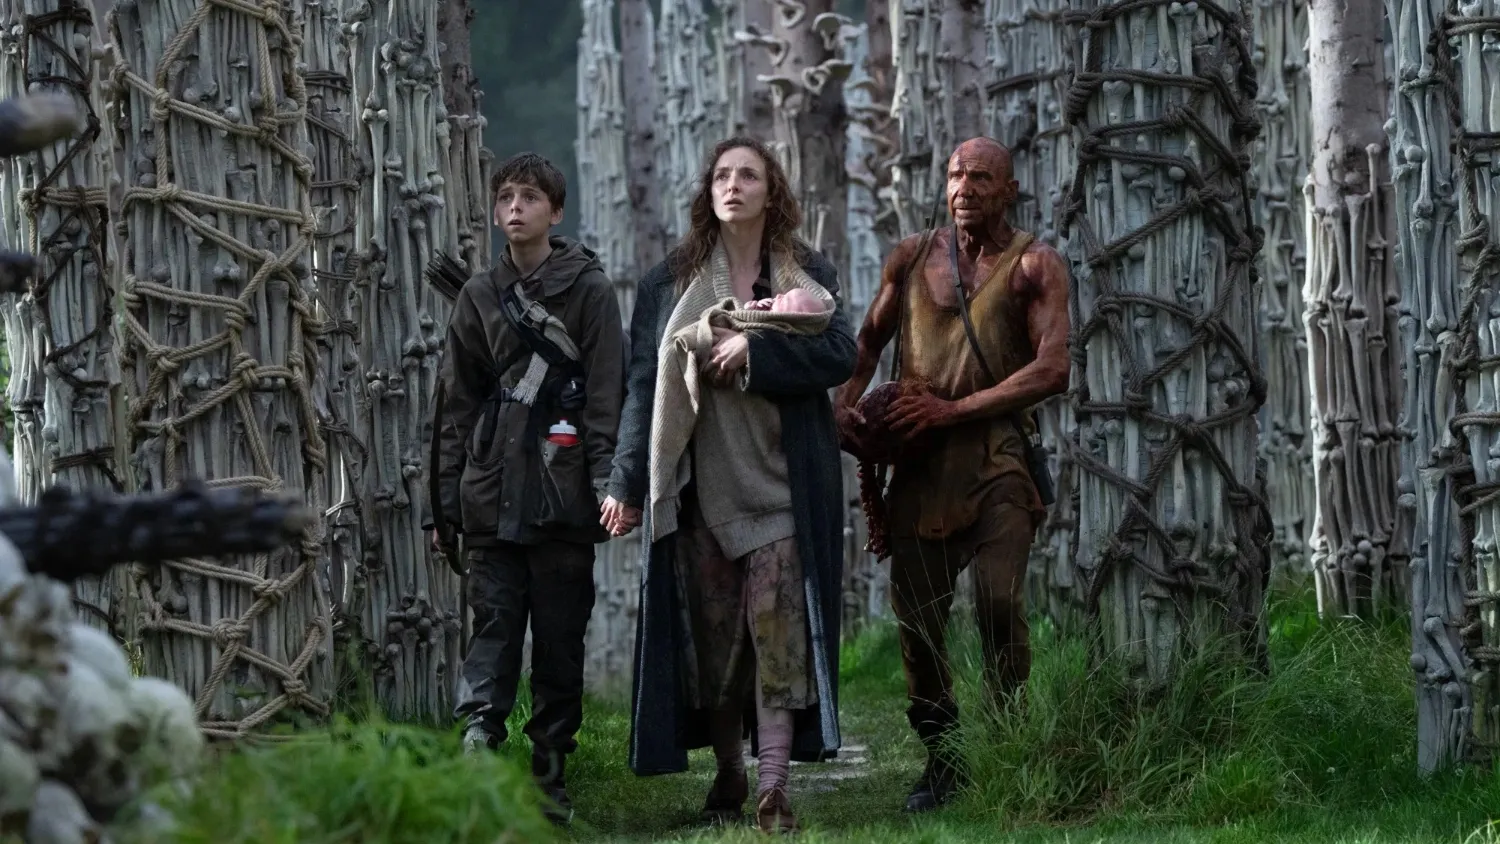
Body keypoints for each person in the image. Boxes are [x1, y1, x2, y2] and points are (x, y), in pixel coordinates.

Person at [600, 136, 856, 834]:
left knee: (778, 637)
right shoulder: (669, 284)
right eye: (722, 175)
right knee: (715, 646)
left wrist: (758, 347)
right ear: (708, 192)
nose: (733, 185)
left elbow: (841, 353)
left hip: (782, 489)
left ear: (772, 193)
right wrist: (626, 482)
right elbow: (643, 388)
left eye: (748, 175)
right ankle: (729, 769)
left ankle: (773, 787)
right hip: (699, 494)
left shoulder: (806, 274)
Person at [833, 137, 1071, 813]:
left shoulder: (1035, 265)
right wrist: (843, 411)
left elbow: (1053, 368)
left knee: (998, 600)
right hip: (919, 464)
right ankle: (944, 755)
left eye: (981, 178)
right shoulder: (911, 258)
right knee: (918, 619)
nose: (965, 188)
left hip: (999, 460)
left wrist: (954, 410)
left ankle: (1007, 739)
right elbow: (868, 343)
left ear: (1009, 191)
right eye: (956, 175)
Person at [426, 152, 625, 826]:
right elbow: (455, 403)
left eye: (531, 197)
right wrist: (444, 505)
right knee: (492, 632)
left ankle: (550, 776)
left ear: (556, 211)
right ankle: (479, 764)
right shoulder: (479, 295)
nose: (516, 208)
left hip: (564, 495)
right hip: (490, 490)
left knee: (561, 643)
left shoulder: (590, 291)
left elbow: (606, 397)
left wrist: (608, 484)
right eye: (507, 197)